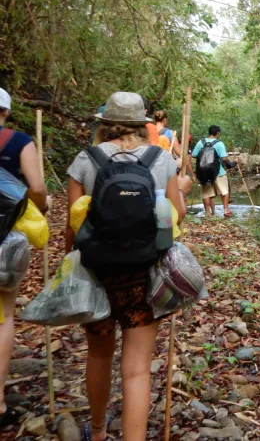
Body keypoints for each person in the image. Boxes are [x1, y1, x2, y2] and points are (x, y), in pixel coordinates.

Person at [64, 92, 185, 441]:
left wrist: (71, 265)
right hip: (144, 272)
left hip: (97, 270)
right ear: (142, 123)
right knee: (136, 370)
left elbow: (74, 224)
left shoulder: (85, 159)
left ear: (104, 123)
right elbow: (176, 215)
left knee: (99, 356)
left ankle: (98, 431)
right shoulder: (161, 159)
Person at [0, 88, 48, 426]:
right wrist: (40, 209)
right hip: (4, 238)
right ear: (6, 112)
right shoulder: (18, 141)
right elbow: (38, 187)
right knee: (3, 315)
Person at [191, 125, 233, 218]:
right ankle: (226, 210)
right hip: (218, 172)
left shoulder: (201, 142)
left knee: (206, 194)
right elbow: (224, 158)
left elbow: (194, 155)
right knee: (224, 191)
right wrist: (230, 165)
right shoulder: (219, 143)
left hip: (203, 173)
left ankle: (207, 213)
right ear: (217, 133)